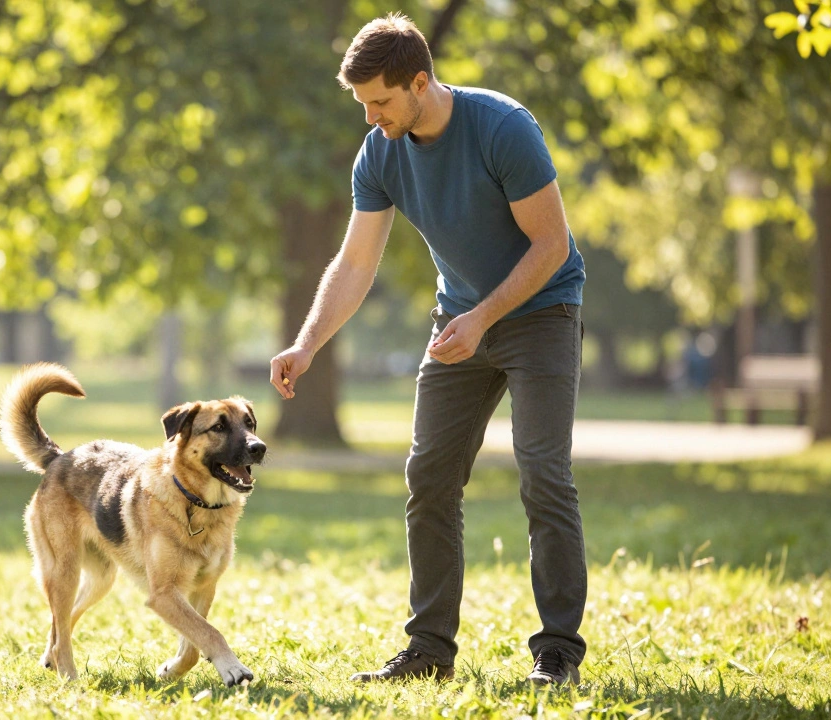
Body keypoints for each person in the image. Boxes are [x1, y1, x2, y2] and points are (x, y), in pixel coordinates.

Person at [269, 12, 588, 686]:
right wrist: (306, 344)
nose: (371, 117)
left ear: (420, 82)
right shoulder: (380, 152)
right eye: (362, 105)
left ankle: (557, 650)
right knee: (429, 478)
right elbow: (355, 265)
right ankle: (429, 651)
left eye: (380, 101)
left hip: (542, 312)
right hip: (458, 323)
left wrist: (483, 317)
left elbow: (551, 245)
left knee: (543, 474)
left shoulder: (503, 128)